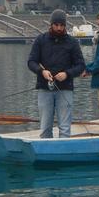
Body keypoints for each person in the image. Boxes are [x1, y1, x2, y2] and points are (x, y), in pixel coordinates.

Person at [28, 9, 85, 138]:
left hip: (65, 89)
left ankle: (63, 152)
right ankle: (45, 152)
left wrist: (67, 74)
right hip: (44, 88)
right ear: (51, 25)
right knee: (45, 128)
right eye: (56, 25)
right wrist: (42, 71)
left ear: (65, 26)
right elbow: (31, 62)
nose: (59, 28)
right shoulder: (40, 40)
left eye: (62, 25)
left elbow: (81, 66)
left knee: (65, 129)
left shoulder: (72, 43)